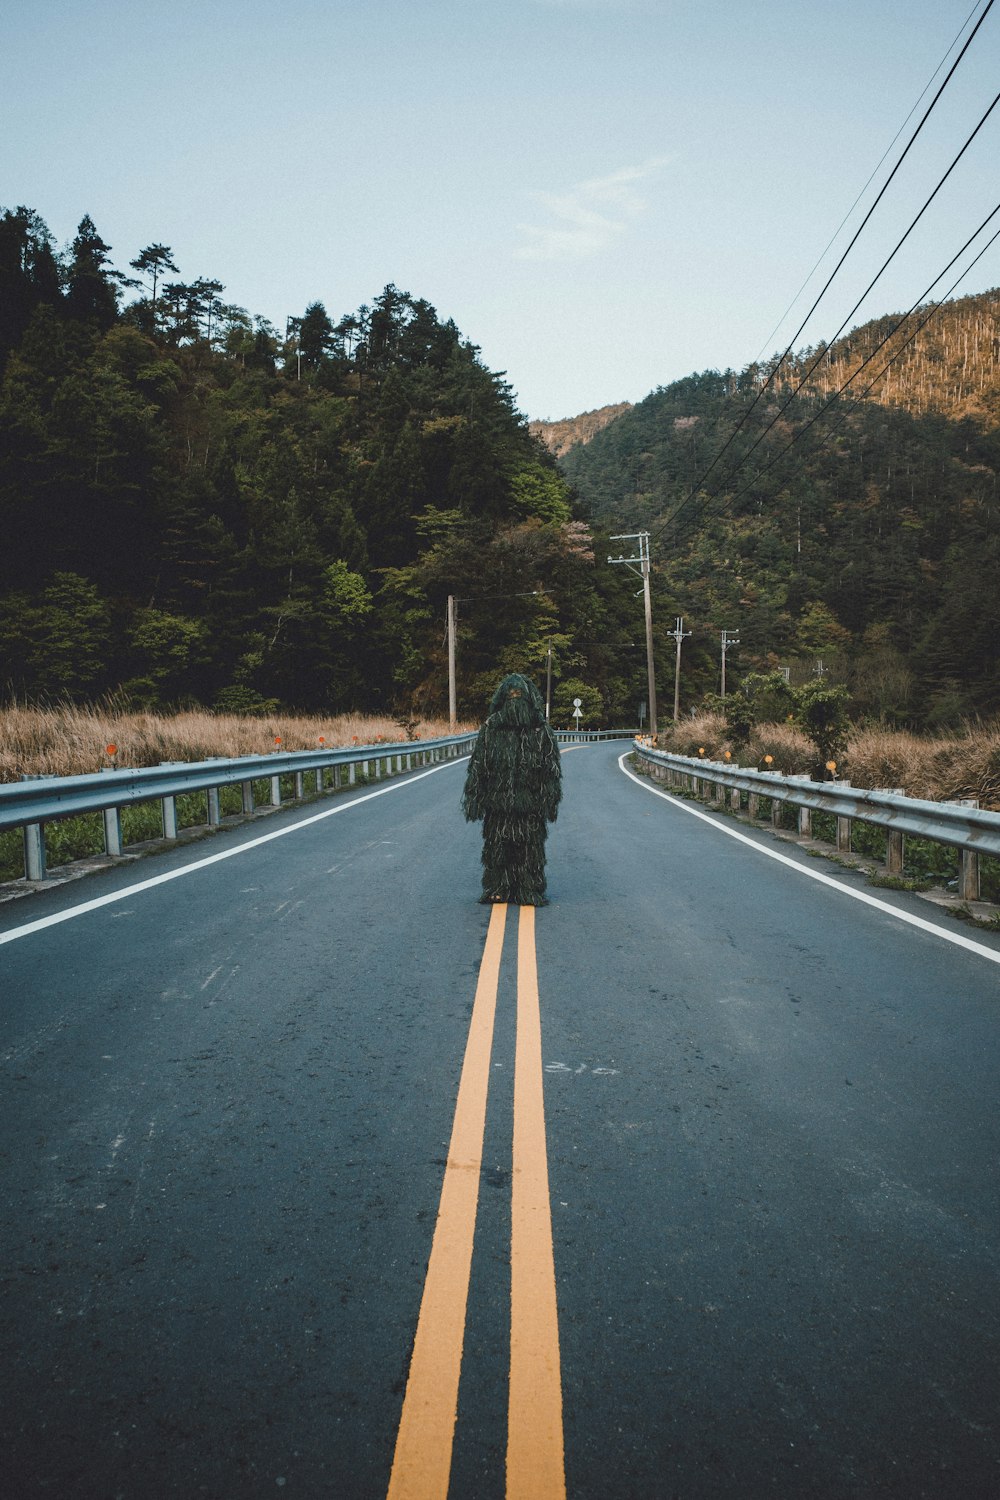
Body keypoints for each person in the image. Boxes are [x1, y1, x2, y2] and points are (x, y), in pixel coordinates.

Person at [461, 672, 562, 906]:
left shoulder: (531, 729)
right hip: (506, 805)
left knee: (519, 849)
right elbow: (480, 767)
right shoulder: (528, 729)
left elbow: (478, 768)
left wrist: (476, 799)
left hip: (518, 805)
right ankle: (507, 888)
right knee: (505, 849)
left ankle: (516, 888)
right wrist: (549, 802)